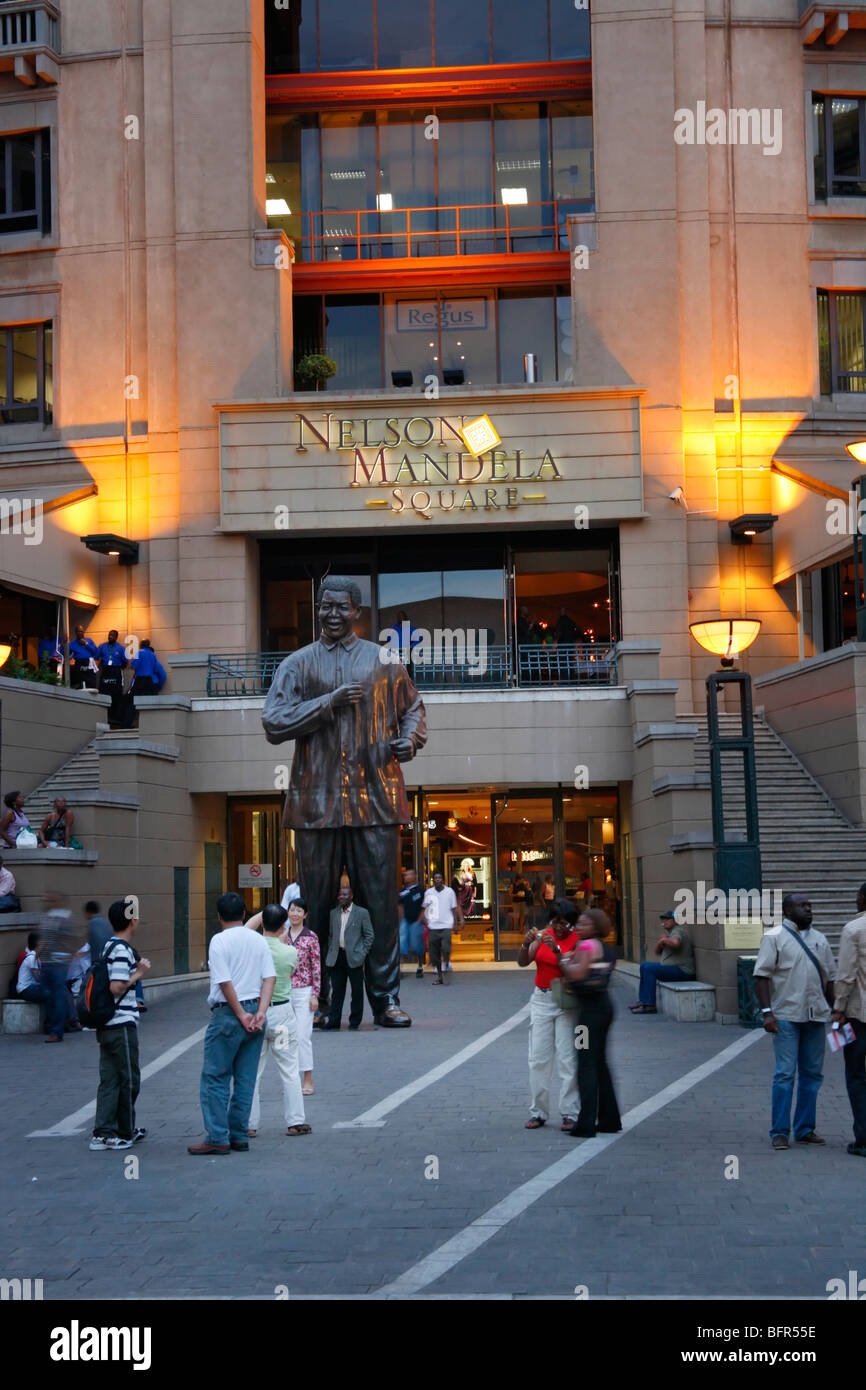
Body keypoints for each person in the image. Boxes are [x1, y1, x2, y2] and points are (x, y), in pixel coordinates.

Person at [262, 576, 426, 1028]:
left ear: (357, 611)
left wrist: (410, 740)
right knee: (312, 912)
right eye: (325, 606)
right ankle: (319, 1002)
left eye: (341, 607)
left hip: (376, 800)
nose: (332, 614)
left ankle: (386, 999)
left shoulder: (384, 659)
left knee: (381, 906)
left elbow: (414, 708)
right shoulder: (297, 664)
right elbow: (273, 722)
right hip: (316, 805)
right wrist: (326, 704)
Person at [188, 892, 275, 1155]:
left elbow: (224, 982)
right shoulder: (258, 940)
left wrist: (239, 1014)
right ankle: (238, 1135)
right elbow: (269, 977)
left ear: (218, 916)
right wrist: (260, 1012)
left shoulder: (218, 941)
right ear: (244, 913)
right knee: (246, 1078)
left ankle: (217, 1136)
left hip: (229, 1013)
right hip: (255, 1008)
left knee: (215, 1076)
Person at [753, 892, 835, 1151]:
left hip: (816, 1015)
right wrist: (767, 1013)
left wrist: (837, 1010)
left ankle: (804, 1129)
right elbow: (761, 977)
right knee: (785, 1075)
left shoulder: (820, 938)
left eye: (810, 905)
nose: (809, 910)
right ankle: (779, 1131)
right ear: (788, 911)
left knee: (812, 1074)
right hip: (786, 1016)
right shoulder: (774, 937)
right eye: (802, 906)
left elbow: (829, 979)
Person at [89, 900, 150, 1151]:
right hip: (120, 1024)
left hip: (106, 1024)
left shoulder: (107, 946)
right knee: (129, 1078)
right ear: (132, 921)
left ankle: (103, 1133)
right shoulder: (122, 950)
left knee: (110, 1080)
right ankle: (123, 1132)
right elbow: (116, 986)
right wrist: (138, 973)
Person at [247, 904, 311, 1138]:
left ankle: (249, 1124)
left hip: (256, 1014)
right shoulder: (290, 952)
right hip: (282, 1014)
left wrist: (261, 916)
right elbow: (290, 965)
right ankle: (295, 1121)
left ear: (263, 922)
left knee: (252, 1071)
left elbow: (246, 928)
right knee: (289, 1069)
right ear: (284, 925)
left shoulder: (251, 946)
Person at [517, 898, 581, 1131]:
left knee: (568, 1059)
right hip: (542, 999)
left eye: (564, 923)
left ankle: (570, 1112)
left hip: (566, 1002)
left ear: (572, 924)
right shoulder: (543, 935)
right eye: (555, 922)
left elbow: (572, 972)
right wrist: (525, 945)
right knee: (538, 1060)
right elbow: (523, 962)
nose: (559, 928)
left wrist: (556, 951)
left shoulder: (577, 941)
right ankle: (538, 1111)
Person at [559, 907, 622, 1138]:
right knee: (601, 1063)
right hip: (604, 1009)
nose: (578, 927)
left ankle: (585, 1123)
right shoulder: (607, 948)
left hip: (587, 1015)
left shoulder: (585, 946)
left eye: (584, 924)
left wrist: (564, 961)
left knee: (585, 1064)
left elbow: (575, 974)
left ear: (594, 927)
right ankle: (609, 1119)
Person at [833, 883, 866, 1159]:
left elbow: (846, 975)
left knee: (857, 1076)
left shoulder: (854, 929)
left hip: (860, 1015)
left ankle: (863, 1139)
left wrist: (838, 1007)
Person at [323, 885, 374, 1030]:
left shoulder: (362, 913)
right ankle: (334, 1021)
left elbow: (369, 935)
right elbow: (331, 934)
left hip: (354, 957)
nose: (342, 897)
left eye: (345, 894)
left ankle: (354, 1021)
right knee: (337, 991)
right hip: (337, 957)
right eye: (340, 895)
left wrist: (362, 952)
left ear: (351, 896)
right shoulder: (333, 913)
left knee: (357, 992)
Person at [284, 896, 320, 1095]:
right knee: (284, 1036)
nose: (295, 914)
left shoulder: (311, 937)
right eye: (292, 910)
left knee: (303, 1036)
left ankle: (307, 1077)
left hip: (304, 991)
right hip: (283, 991)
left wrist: (315, 994)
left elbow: (316, 968)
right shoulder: (282, 936)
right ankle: (289, 1078)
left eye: (299, 911)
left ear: (305, 915)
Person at [630, 910, 696, 1014]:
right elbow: (657, 952)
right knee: (644, 966)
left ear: (675, 920)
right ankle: (643, 1001)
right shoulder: (668, 935)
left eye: (668, 919)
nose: (665, 921)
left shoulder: (677, 931)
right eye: (663, 919)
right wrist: (661, 942)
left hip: (683, 971)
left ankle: (649, 1005)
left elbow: (676, 943)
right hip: (673, 969)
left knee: (648, 968)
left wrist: (663, 940)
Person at [39, 892, 81, 1042]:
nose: (46, 901)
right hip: (47, 961)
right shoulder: (48, 916)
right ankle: (54, 1026)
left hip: (59, 961)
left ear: (58, 901)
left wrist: (68, 955)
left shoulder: (66, 917)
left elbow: (73, 939)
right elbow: (43, 939)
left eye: (50, 899)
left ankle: (57, 1031)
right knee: (49, 994)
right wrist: (37, 955)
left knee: (58, 996)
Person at [422, 869, 462, 984]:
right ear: (433, 880)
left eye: (439, 878)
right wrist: (426, 921)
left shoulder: (450, 892)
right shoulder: (429, 892)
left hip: (446, 925)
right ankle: (440, 976)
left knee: (445, 948)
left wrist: (456, 923)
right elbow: (425, 908)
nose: (437, 880)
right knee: (434, 953)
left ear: (443, 880)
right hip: (433, 926)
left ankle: (446, 961)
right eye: (435, 878)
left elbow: (454, 908)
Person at [97, 629, 128, 726]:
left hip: (115, 672)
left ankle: (115, 717)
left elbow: (125, 661)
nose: (110, 637)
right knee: (103, 692)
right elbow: (97, 656)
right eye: (109, 635)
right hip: (106, 671)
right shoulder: (102, 646)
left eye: (112, 635)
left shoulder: (121, 648)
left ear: (116, 637)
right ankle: (104, 715)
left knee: (116, 694)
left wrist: (118, 667)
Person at [399, 868, 426, 978]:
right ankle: (399, 969)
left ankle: (419, 967)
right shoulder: (402, 892)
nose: (405, 877)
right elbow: (399, 906)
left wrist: (419, 921)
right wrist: (401, 920)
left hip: (416, 921)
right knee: (401, 944)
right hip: (405, 921)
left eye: (408, 875)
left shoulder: (421, 891)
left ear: (414, 876)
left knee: (417, 945)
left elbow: (424, 907)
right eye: (404, 875)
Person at [15, 932, 50, 1006]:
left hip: (32, 988)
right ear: (38, 944)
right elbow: (38, 977)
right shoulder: (31, 958)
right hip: (25, 990)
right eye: (42, 944)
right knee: (48, 994)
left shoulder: (36, 959)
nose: (44, 946)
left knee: (52, 992)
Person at [69, 625, 99, 689]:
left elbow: (95, 652)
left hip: (89, 663)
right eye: (78, 631)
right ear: (75, 632)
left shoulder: (89, 640)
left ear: (83, 632)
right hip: (79, 663)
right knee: (80, 683)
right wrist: (64, 644)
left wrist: (86, 644)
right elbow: (67, 654)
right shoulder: (72, 643)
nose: (80, 633)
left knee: (90, 683)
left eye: (81, 631)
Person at [84, 901, 113, 967]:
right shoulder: (106, 922)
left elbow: (96, 943)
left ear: (88, 913)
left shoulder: (92, 923)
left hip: (98, 961)